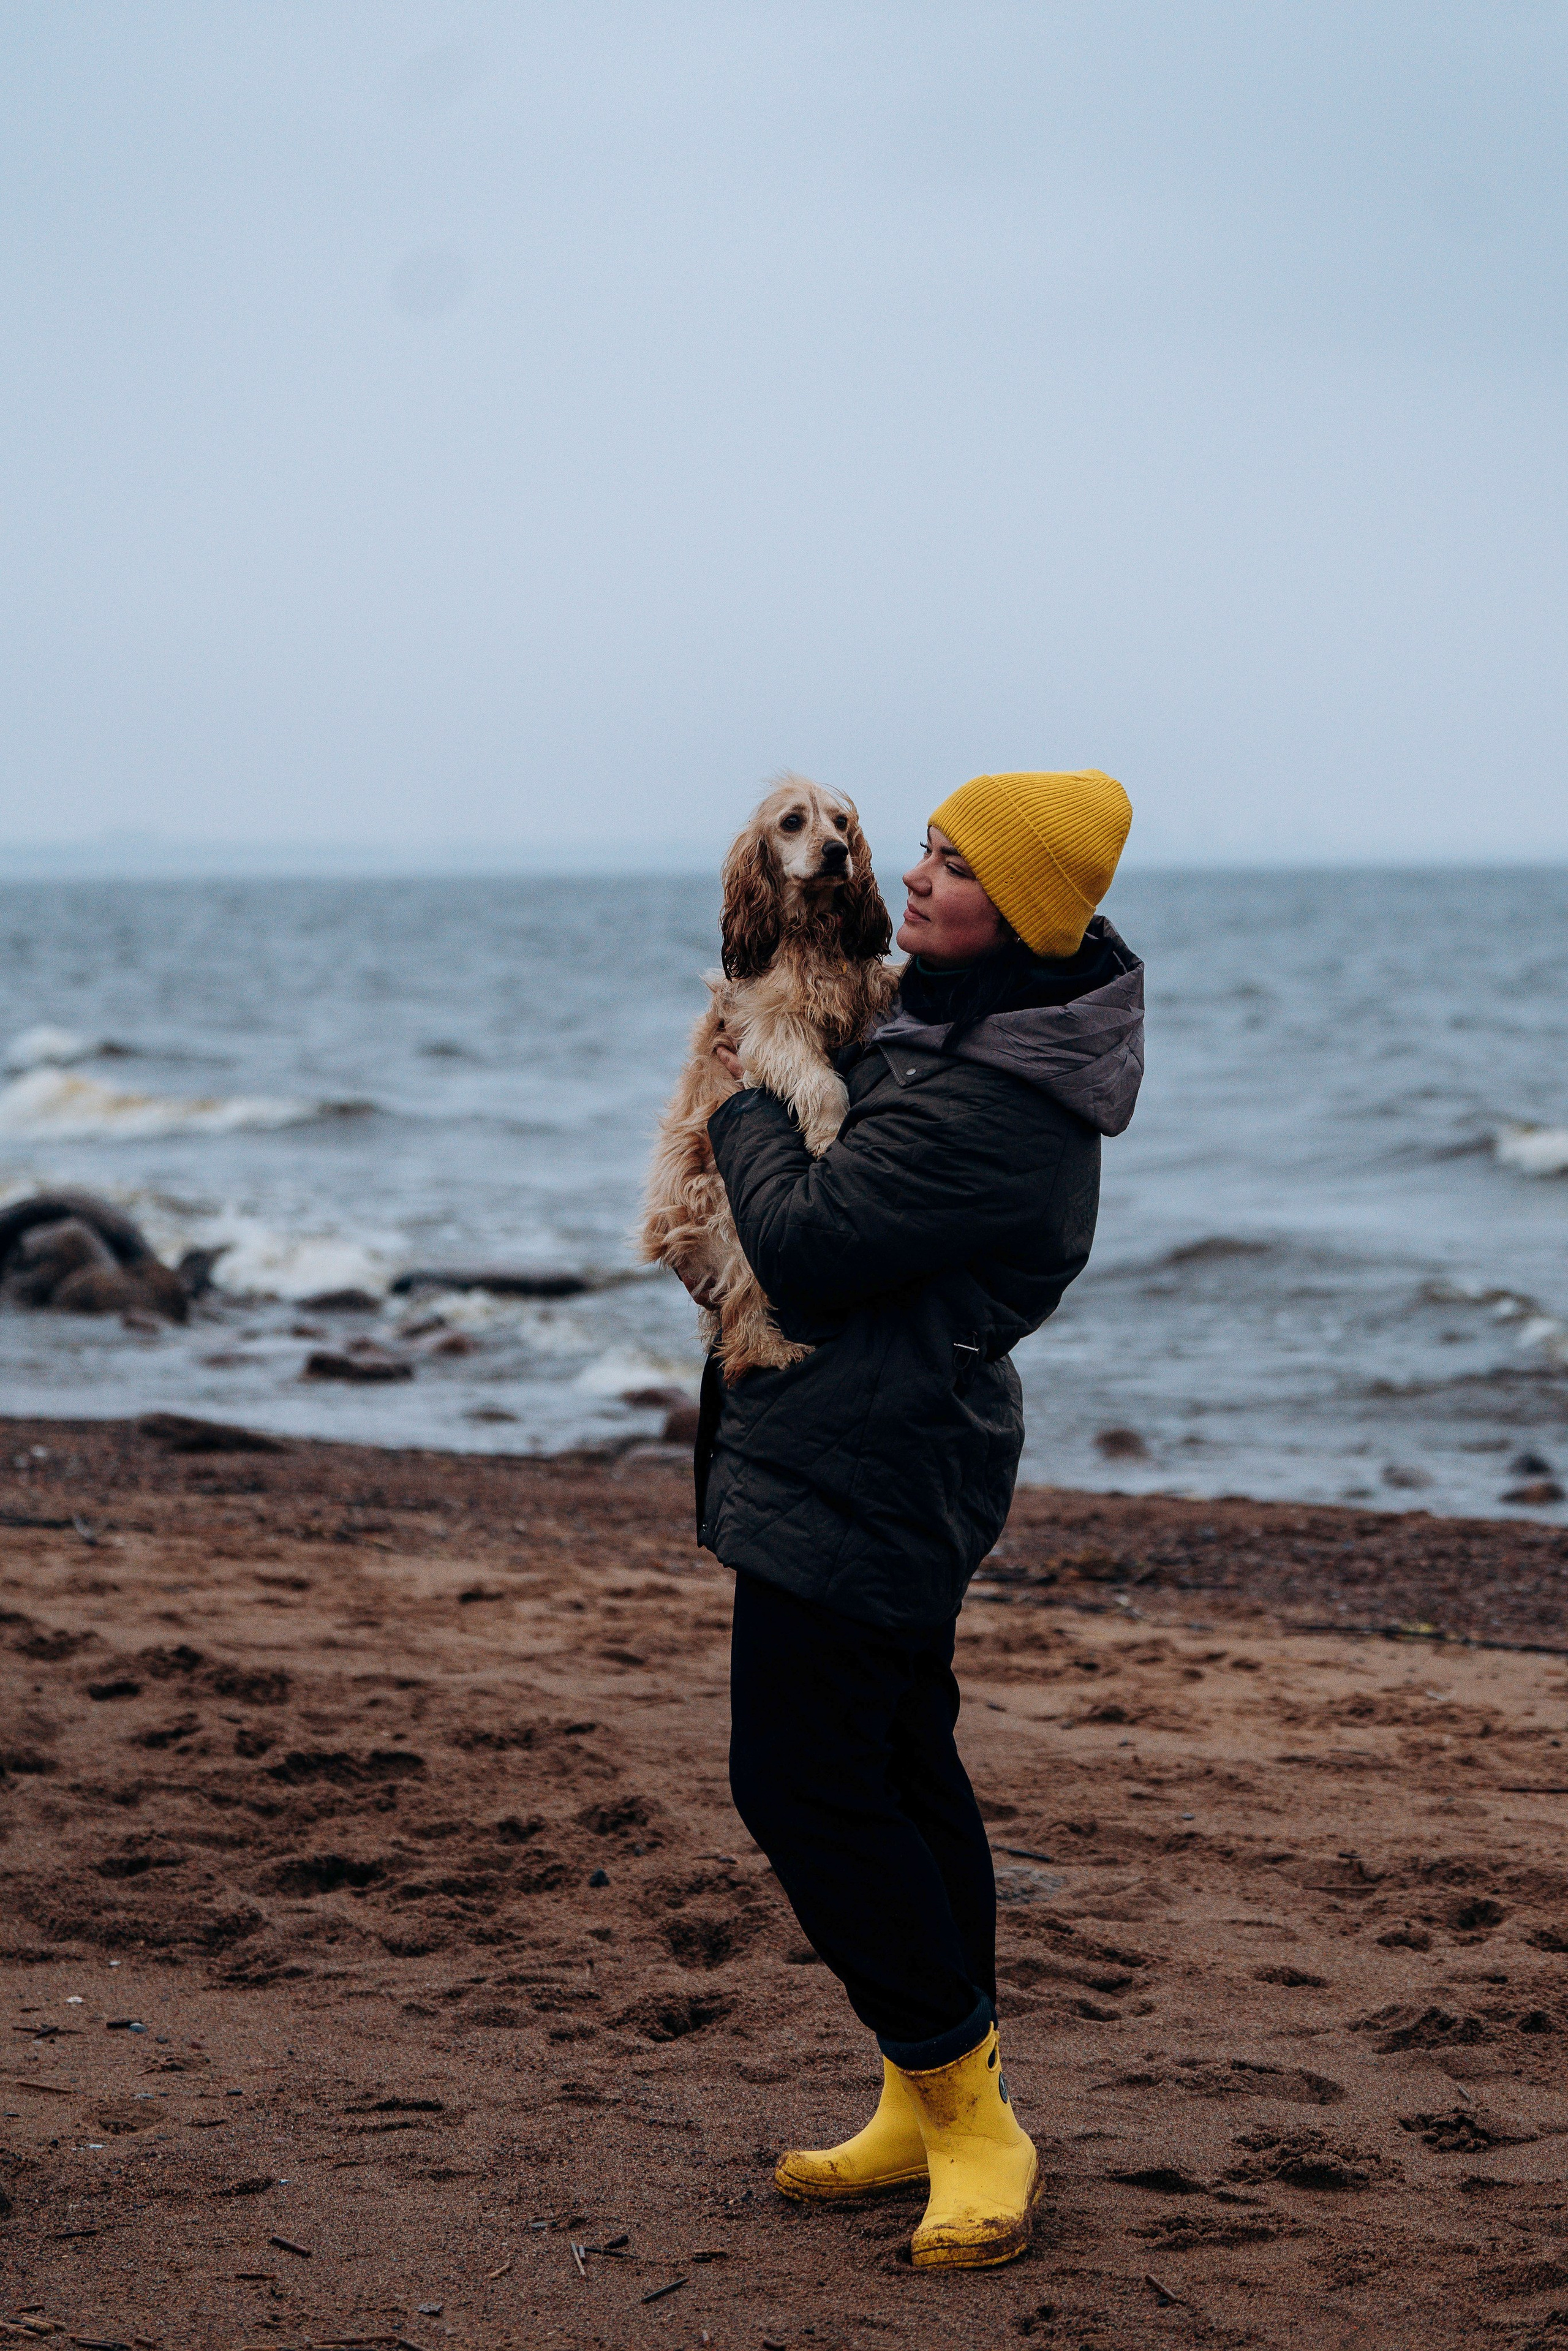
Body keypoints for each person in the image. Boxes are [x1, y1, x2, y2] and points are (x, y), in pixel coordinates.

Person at [690, 768, 1143, 2271]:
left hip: (873, 1469)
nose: (925, 876)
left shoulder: (1000, 1095)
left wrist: (737, 1082)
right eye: (928, 851)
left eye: (954, 865)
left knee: (800, 1783)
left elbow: (811, 1248)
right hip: (869, 1446)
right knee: (895, 1760)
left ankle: (971, 2115)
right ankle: (924, 2087)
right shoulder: (949, 1019)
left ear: (1020, 907)